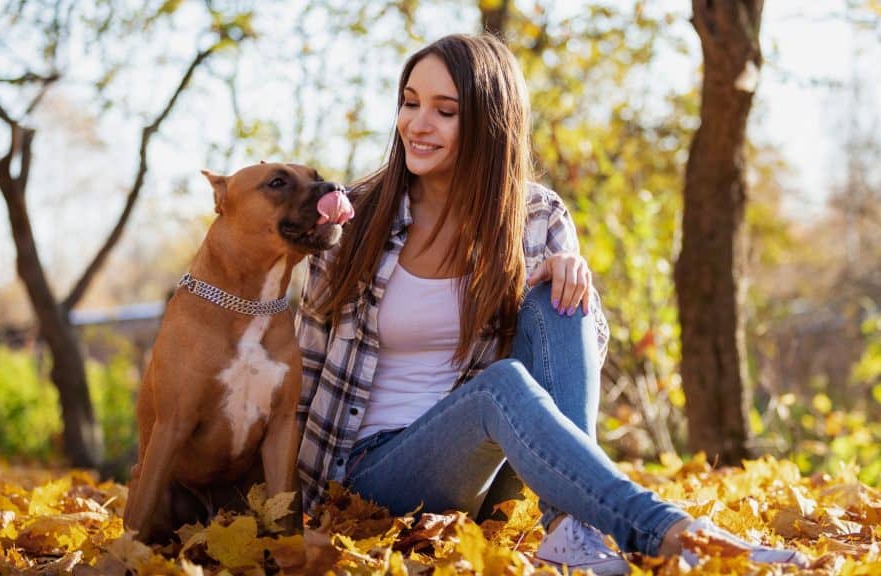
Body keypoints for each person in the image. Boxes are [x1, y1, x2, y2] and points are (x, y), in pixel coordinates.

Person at [294, 33, 807, 574]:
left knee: (562, 297)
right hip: (371, 477)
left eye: (444, 111)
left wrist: (573, 278)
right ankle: (674, 533)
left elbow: (573, 357)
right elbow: (299, 367)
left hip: (493, 477)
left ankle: (569, 527)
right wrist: (279, 506)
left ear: (491, 122)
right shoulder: (356, 217)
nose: (417, 124)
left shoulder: (536, 214)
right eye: (410, 102)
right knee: (499, 387)